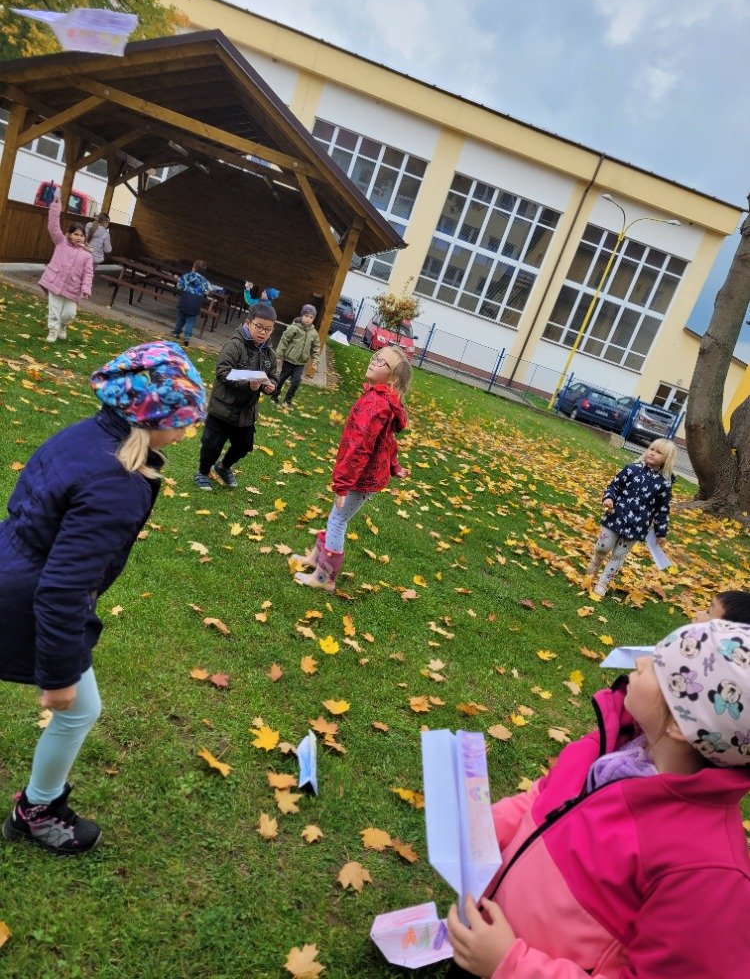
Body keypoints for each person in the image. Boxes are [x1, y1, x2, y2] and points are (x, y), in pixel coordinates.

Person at [445, 618, 750, 978]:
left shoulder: (705, 871)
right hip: (487, 939)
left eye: (659, 665)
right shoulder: (612, 749)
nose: (641, 662)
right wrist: (482, 831)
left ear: (681, 725)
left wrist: (511, 965)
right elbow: (542, 801)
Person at [0, 342, 206, 855]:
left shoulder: (88, 434)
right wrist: (58, 673)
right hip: (24, 593)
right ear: (150, 418)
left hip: (9, 559)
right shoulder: (117, 482)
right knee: (78, 708)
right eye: (182, 421)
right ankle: (36, 813)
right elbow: (63, 588)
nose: (187, 432)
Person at [292, 345, 411, 592]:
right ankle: (315, 558)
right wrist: (395, 466)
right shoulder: (381, 400)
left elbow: (359, 447)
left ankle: (324, 578)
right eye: (375, 357)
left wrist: (343, 485)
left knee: (338, 520)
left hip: (360, 478)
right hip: (364, 476)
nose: (374, 361)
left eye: (382, 362)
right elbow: (387, 441)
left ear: (392, 378)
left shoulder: (376, 404)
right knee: (335, 516)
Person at [194, 303, 279, 491]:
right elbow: (222, 373)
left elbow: (272, 376)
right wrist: (247, 384)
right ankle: (202, 472)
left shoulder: (270, 355)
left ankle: (224, 467)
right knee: (212, 445)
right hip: (223, 408)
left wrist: (270, 387)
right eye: (259, 326)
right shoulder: (234, 345)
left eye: (268, 329)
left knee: (244, 446)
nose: (263, 332)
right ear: (248, 323)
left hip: (246, 412)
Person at [586, 438, 676, 598]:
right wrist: (609, 497)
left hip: (636, 527)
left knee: (618, 555)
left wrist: (661, 533)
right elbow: (614, 486)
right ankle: (595, 564)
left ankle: (603, 582)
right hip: (615, 516)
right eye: (651, 449)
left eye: (658, 452)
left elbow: (662, 510)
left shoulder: (664, 484)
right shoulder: (631, 469)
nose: (652, 453)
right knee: (602, 547)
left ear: (666, 459)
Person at [38, 186, 93, 343]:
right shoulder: (61, 242)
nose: (79, 237)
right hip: (55, 282)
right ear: (69, 235)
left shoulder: (86, 255)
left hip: (73, 288)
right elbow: (53, 225)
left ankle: (62, 326)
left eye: (81, 235)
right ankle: (53, 331)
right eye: (76, 234)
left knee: (70, 314)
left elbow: (88, 274)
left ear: (84, 238)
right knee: (54, 310)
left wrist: (86, 288)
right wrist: (56, 202)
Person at [272, 304, 321, 407]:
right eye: (306, 316)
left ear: (313, 319)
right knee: (281, 379)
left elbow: (315, 348)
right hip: (289, 360)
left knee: (296, 381)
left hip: (300, 363)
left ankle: (287, 401)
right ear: (301, 315)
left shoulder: (314, 333)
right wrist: (278, 356)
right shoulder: (293, 328)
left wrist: (315, 361)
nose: (308, 319)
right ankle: (274, 396)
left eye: (311, 317)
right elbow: (284, 341)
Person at [170, 259, 211, 347]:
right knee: (191, 320)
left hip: (186, 298)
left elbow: (179, 286)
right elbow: (206, 293)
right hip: (196, 301)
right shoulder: (204, 281)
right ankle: (187, 337)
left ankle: (176, 332)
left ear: (193, 267)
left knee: (181, 317)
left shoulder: (187, 276)